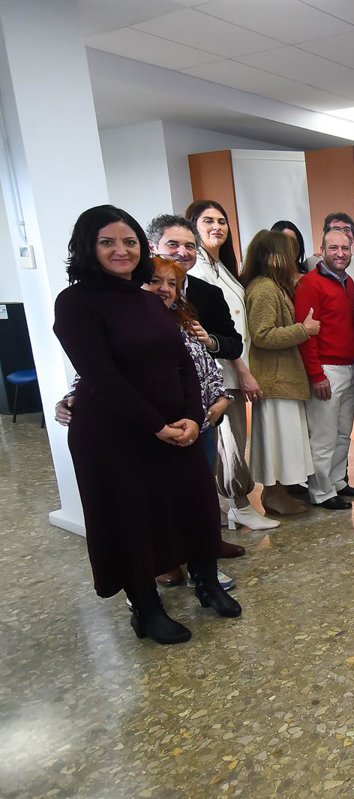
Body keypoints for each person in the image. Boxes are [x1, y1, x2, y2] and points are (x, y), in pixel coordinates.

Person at [53, 205, 240, 645]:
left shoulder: (147, 299)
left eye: (129, 241)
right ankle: (146, 609)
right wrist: (157, 425)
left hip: (175, 428)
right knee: (132, 519)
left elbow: (183, 363)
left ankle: (207, 584)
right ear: (87, 247)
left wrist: (192, 417)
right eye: (107, 242)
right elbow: (102, 377)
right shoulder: (76, 302)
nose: (121, 250)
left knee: (195, 506)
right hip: (116, 434)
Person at [142, 256, 235, 588]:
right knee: (161, 500)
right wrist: (70, 400)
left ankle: (204, 563)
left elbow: (208, 369)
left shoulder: (185, 322)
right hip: (158, 428)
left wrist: (222, 400)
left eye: (172, 284)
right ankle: (166, 560)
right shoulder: (129, 325)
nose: (164, 289)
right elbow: (100, 375)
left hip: (201, 423)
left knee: (199, 498)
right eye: (156, 281)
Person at [185, 200, 275, 534]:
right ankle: (238, 505)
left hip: (233, 364)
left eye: (222, 221)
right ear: (193, 226)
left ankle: (228, 507)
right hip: (219, 372)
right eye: (208, 221)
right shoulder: (194, 271)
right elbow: (215, 329)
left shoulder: (221, 266)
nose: (217, 227)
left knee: (232, 440)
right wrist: (243, 370)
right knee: (230, 442)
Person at [242, 230, 319, 518]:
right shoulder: (264, 288)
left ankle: (278, 492)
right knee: (277, 442)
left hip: (282, 378)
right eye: (286, 253)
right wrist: (303, 330)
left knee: (283, 442)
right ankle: (273, 494)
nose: (291, 259)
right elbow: (262, 335)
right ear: (270, 256)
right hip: (276, 380)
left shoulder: (273, 285)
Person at [295, 227, 354, 511]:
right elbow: (306, 334)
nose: (340, 253)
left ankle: (337, 482)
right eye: (333, 248)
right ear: (322, 250)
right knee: (323, 437)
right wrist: (316, 374)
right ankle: (321, 491)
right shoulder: (310, 284)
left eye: (345, 248)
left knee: (343, 433)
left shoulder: (349, 283)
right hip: (327, 370)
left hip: (350, 367)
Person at [304, 212, 354, 282]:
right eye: (336, 229)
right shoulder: (311, 263)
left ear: (353, 236)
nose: (341, 233)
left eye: (346, 229)